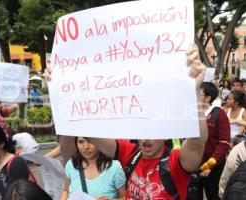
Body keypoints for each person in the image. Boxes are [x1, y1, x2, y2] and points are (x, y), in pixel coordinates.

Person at [44, 46, 208, 199]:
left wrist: (193, 92)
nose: (146, 139)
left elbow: (197, 141)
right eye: (142, 132)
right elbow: (88, 132)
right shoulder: (130, 154)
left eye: (152, 132)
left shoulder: (175, 162)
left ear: (164, 134)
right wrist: (62, 87)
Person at [60, 137, 126, 200]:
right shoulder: (71, 164)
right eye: (81, 142)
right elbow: (66, 191)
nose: (86, 147)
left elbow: (126, 197)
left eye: (91, 141)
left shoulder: (114, 167)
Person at [197, 82, 230, 200]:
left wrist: (210, 165)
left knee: (213, 195)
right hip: (193, 165)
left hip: (212, 168)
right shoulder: (191, 113)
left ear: (208, 98)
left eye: (198, 94)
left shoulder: (219, 115)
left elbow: (224, 143)